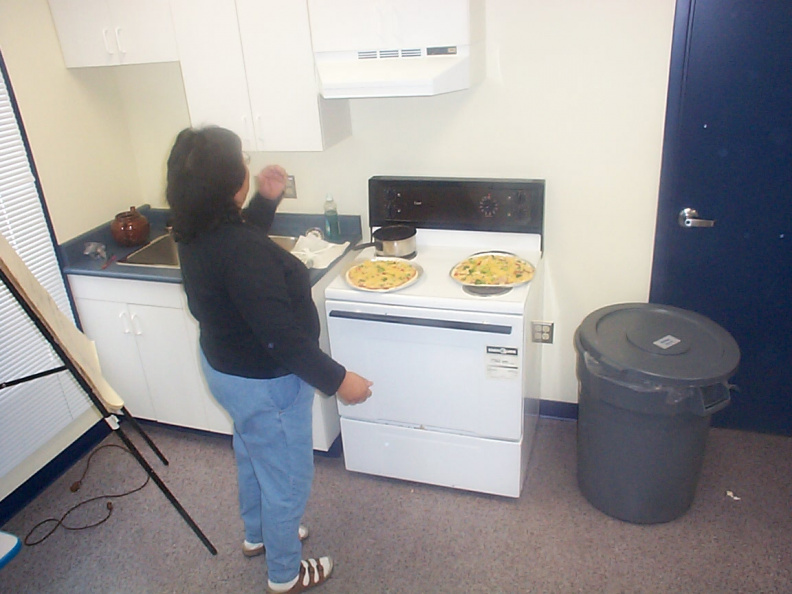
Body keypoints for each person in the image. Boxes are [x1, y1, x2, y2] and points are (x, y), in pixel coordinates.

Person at [166, 126, 372, 593]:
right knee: (288, 479)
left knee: (253, 453)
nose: (247, 163)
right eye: (240, 159)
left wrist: (265, 200)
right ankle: (285, 573)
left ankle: (257, 535)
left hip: (227, 370)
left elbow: (236, 250)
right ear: (228, 181)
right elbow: (282, 339)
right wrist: (341, 381)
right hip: (267, 381)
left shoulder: (196, 228)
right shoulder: (237, 247)